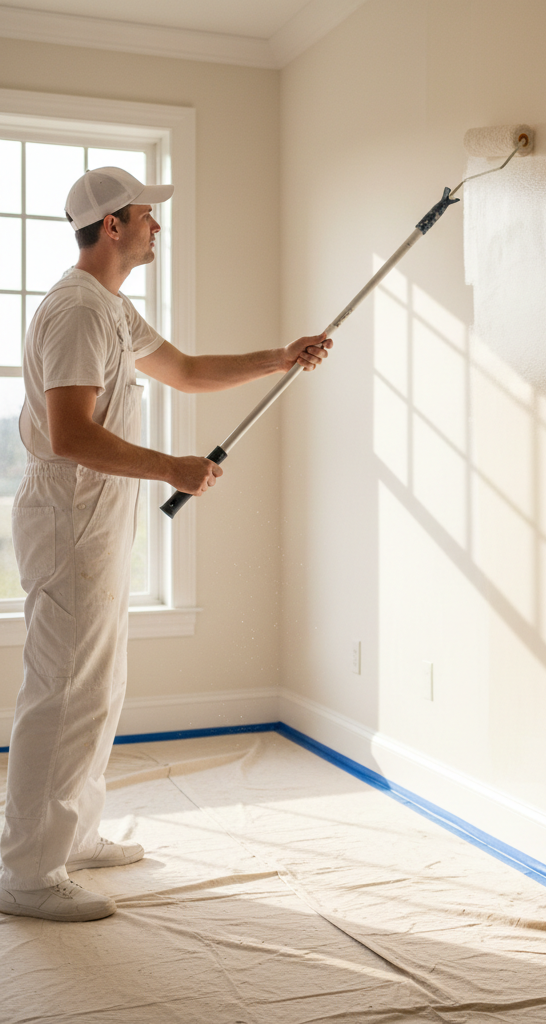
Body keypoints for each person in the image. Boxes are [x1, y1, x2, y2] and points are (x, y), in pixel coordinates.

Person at [0, 167, 331, 922]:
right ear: (111, 225)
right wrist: (172, 468)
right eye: (148, 216)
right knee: (62, 691)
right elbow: (71, 434)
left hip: (97, 515)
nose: (158, 227)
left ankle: (70, 835)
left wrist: (281, 357)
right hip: (71, 517)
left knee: (97, 685)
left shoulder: (112, 310)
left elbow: (183, 371)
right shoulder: (79, 312)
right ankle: (25, 871)